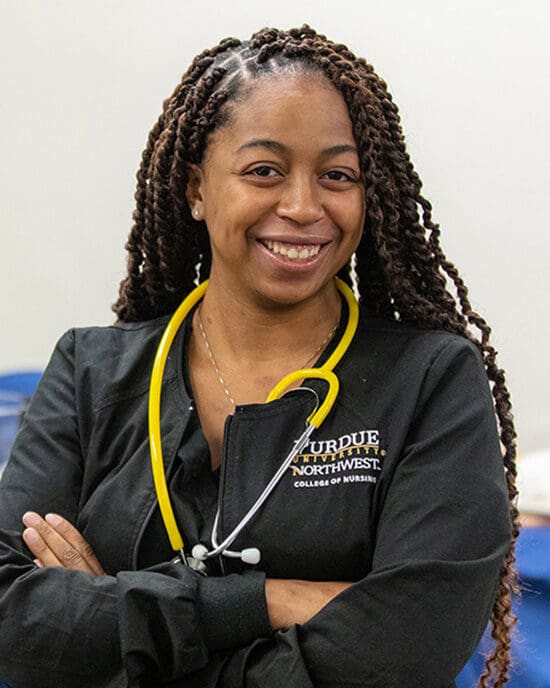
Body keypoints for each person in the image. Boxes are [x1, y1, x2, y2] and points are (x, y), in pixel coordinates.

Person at [0, 25, 518, 688]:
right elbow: (14, 624)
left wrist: (116, 628)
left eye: (337, 175)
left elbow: (408, 650)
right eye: (263, 171)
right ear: (195, 188)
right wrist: (267, 599)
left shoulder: (432, 381)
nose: (303, 207)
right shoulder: (88, 371)